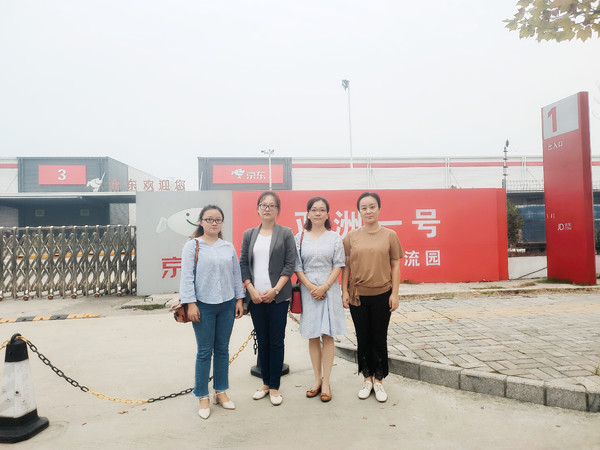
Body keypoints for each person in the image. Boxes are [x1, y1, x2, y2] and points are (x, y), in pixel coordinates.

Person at [179, 205, 245, 419]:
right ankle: (202, 396)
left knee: (223, 350)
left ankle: (221, 391)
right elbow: (187, 276)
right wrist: (190, 303)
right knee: (204, 351)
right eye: (209, 219)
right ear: (201, 222)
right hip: (203, 305)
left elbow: (236, 274)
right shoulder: (193, 246)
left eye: (218, 219)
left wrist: (239, 300)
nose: (214, 223)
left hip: (227, 304)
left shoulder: (228, 247)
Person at [341, 192, 403, 403]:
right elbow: (346, 265)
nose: (368, 211)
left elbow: (395, 264)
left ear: (379, 208)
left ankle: (379, 380)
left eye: (372, 206)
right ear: (359, 211)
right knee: (362, 337)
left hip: (382, 294)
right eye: (364, 208)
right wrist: (344, 291)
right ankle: (366, 378)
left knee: (379, 337)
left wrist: (395, 293)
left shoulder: (390, 235)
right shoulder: (352, 236)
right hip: (358, 296)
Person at [240, 191, 296, 406]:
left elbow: (289, 264)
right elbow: (243, 263)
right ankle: (264, 383)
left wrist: (275, 290)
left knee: (276, 341)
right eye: (263, 205)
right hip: (255, 297)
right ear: (258, 209)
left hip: (277, 298)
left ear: (277, 210)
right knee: (262, 341)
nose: (267, 208)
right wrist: (251, 289)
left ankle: (274, 387)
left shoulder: (285, 233)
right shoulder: (249, 234)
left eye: (272, 205)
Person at [294, 197, 347, 402]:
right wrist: (310, 287)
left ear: (327, 214)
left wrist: (324, 286)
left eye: (322, 210)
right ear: (307, 214)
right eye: (314, 210)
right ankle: (317, 379)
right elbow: (297, 266)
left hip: (329, 290)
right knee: (313, 335)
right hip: (308, 291)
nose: (317, 213)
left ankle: (327, 382)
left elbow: (338, 264)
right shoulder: (299, 237)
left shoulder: (334, 237)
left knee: (328, 335)